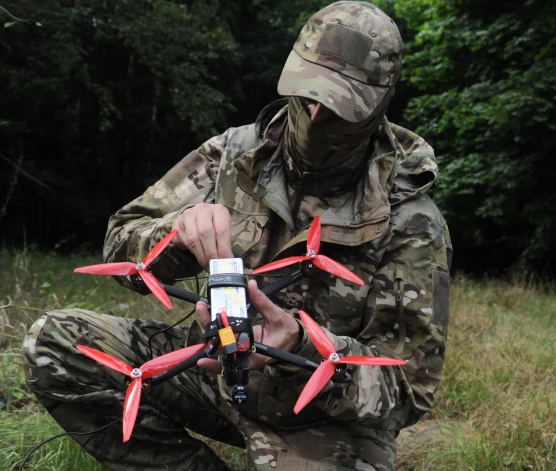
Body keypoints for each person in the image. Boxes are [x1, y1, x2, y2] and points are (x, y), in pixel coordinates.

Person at [22, 2, 452, 470]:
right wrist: (175, 234)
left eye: (338, 106)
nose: (314, 113)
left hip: (317, 417)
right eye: (306, 93)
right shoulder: (230, 156)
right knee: (55, 343)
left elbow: (408, 390)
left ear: (379, 104)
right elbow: (119, 242)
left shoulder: (409, 219)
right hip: (208, 371)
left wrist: (306, 352)